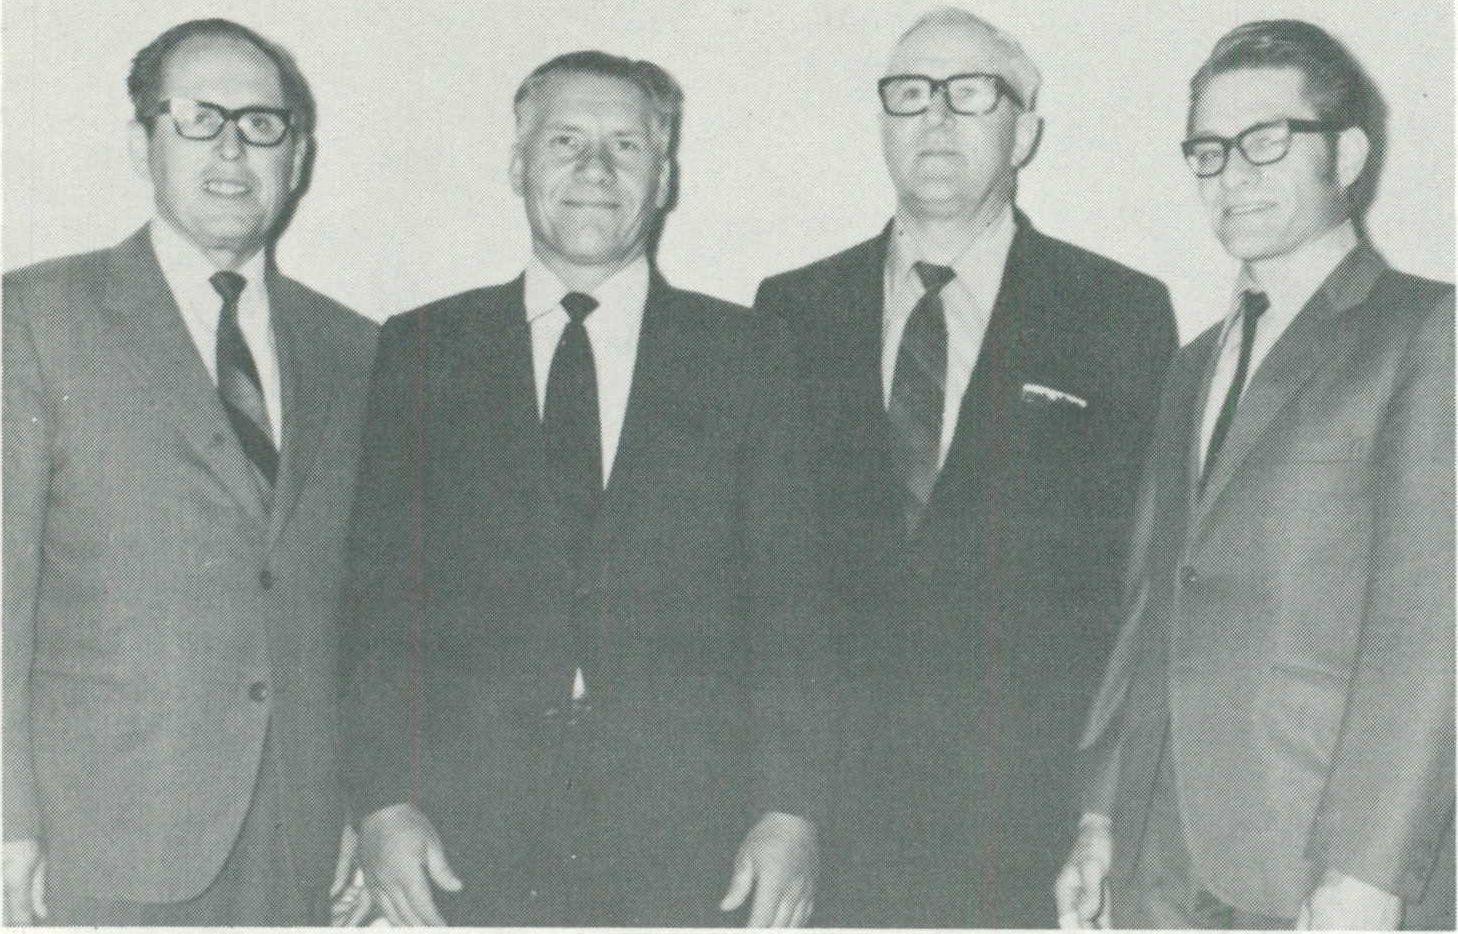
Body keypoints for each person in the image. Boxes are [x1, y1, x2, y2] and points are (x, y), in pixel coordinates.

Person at [343, 51, 828, 928]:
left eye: (625, 146)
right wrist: (382, 801)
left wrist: (790, 810)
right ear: (518, 164)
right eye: (565, 141)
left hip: (694, 835)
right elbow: (376, 601)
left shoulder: (751, 354)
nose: (595, 168)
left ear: (664, 178)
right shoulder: (422, 350)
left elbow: (794, 603)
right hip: (466, 832)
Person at [753, 7, 1177, 927]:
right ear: (882, 124)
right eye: (909, 94)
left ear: (1025, 132)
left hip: (1027, 825)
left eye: (971, 93)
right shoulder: (790, 310)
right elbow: (766, 579)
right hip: (829, 826)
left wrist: (1100, 813)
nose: (936, 117)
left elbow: (1138, 589)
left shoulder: (1118, 312)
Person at [1057, 19, 1454, 931]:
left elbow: (1435, 627)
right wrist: (1100, 816)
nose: (1232, 174)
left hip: (1319, 863)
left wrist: (1369, 871)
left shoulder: (1427, 332)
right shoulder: (1193, 362)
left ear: (1346, 155)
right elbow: (1152, 602)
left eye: (1266, 141)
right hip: (1159, 861)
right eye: (1208, 150)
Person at [2, 18, 377, 926]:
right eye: (200, 120)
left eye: (262, 125)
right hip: (104, 836)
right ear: (143, 144)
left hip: (302, 843)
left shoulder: (357, 348)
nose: (233, 151)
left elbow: (369, 611)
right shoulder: (36, 318)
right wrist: (8, 818)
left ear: (299, 156)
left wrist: (367, 807)